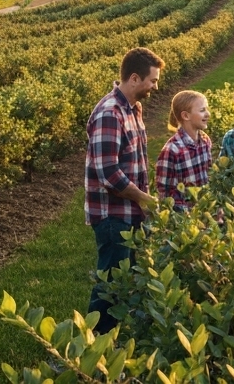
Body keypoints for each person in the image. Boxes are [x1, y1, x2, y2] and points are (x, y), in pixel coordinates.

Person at [84, 47, 162, 334]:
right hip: (112, 216)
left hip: (129, 215)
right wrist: (144, 199)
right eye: (152, 80)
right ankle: (91, 347)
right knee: (110, 287)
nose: (156, 86)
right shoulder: (110, 113)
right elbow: (108, 174)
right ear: (133, 78)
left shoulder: (133, 109)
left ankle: (112, 341)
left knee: (124, 281)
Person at [154, 90, 213, 209]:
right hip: (185, 218)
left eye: (207, 109)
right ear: (186, 116)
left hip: (206, 212)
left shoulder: (205, 141)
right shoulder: (172, 150)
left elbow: (208, 177)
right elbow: (165, 194)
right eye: (202, 110)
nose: (208, 114)